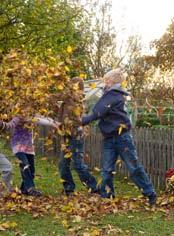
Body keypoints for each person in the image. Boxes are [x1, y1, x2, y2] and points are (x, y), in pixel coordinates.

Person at [82, 69, 156, 206]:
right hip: (109, 138)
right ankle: (107, 195)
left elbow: (97, 112)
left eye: (106, 80)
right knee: (107, 169)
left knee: (133, 167)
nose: (104, 82)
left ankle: (150, 192)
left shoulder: (114, 95)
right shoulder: (109, 94)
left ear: (111, 81)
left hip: (122, 138)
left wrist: (81, 121)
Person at [58, 77, 99, 196]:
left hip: (75, 135)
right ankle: (69, 188)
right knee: (63, 164)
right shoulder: (67, 100)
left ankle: (94, 187)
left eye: (73, 86)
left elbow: (76, 120)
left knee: (78, 164)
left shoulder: (76, 99)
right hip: (66, 135)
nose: (70, 88)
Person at [11, 115, 59, 197]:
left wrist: (53, 122)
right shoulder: (18, 116)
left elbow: (41, 118)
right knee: (25, 165)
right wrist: (52, 123)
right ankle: (31, 189)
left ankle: (24, 189)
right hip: (18, 146)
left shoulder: (32, 114)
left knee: (32, 171)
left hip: (29, 147)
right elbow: (38, 120)